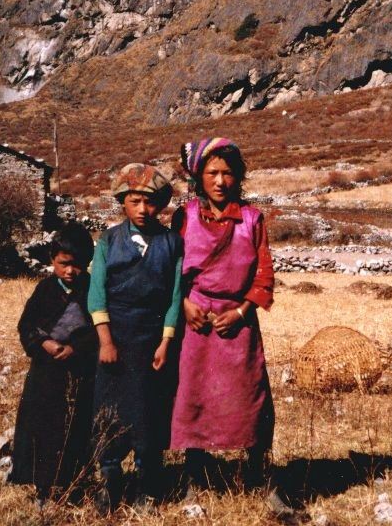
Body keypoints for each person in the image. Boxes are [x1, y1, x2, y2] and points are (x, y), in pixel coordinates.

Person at [170, 138, 286, 511]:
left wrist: (239, 313)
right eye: (212, 173)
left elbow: (263, 275)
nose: (220, 181)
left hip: (239, 324)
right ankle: (193, 471)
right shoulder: (184, 217)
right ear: (198, 178)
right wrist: (185, 304)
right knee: (194, 394)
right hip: (196, 324)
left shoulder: (252, 220)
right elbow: (170, 271)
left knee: (250, 397)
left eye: (227, 173)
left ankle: (258, 472)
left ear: (238, 178)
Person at [88, 163, 182, 513]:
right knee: (110, 410)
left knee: (149, 411)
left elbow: (175, 295)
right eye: (134, 201)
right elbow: (97, 293)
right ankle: (110, 481)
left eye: (151, 202)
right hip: (116, 338)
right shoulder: (109, 241)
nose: (143, 209)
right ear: (122, 203)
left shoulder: (172, 243)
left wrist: (166, 341)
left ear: (161, 204)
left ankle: (147, 485)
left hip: (152, 340)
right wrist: (106, 341)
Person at [10, 223, 98, 507]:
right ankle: (43, 486)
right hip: (45, 374)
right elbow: (27, 325)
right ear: (52, 260)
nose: (70, 271)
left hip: (78, 372)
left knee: (74, 428)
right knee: (42, 428)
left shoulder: (91, 289)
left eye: (78, 265)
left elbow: (99, 330)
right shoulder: (45, 289)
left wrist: (76, 349)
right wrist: (45, 344)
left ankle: (73, 483)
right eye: (64, 264)